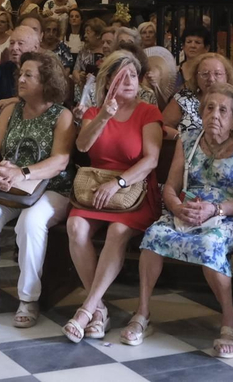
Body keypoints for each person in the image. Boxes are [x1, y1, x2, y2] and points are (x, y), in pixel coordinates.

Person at [126, 85, 233, 358]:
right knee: (153, 236)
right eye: (210, 108)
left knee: (210, 244)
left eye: (223, 110)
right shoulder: (187, 140)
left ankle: (230, 324)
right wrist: (176, 207)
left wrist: (215, 209)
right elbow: (171, 186)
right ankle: (142, 313)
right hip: (185, 213)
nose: (215, 114)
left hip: (228, 217)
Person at [0, 51, 76, 326]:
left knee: (30, 223)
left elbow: (60, 161)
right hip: (8, 186)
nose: (21, 79)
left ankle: (28, 299)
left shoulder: (61, 115)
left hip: (51, 188)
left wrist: (21, 173)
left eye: (29, 75)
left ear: (47, 81)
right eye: (21, 74)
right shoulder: (11, 110)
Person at [63, 49, 164, 344]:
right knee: (75, 227)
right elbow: (82, 146)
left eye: (133, 75)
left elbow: (151, 160)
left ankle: (86, 309)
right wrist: (104, 117)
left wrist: (118, 183)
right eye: (122, 76)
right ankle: (100, 310)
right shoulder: (96, 112)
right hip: (95, 188)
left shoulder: (148, 112)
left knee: (117, 232)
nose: (130, 81)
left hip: (133, 189)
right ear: (108, 82)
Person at [163, 51, 233, 142]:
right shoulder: (183, 98)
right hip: (188, 155)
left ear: (227, 76)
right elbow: (163, 127)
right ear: (196, 77)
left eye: (217, 74)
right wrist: (184, 139)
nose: (211, 79)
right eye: (205, 74)